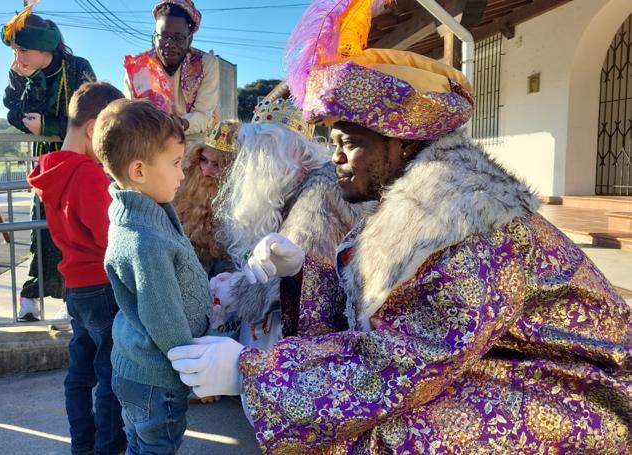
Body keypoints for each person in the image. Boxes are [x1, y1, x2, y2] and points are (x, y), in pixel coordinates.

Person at [167, 0, 632, 453]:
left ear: (404, 145)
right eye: (333, 142)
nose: (335, 158)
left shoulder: (470, 227)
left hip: (588, 388)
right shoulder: (407, 205)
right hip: (503, 365)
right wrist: (306, 274)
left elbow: (408, 358)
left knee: (398, 433)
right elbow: (382, 317)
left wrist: (252, 373)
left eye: (350, 143)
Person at [94, 99, 211, 454]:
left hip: (139, 369)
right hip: (156, 379)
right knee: (156, 447)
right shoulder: (144, 239)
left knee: (140, 444)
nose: (182, 173)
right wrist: (194, 368)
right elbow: (163, 316)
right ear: (140, 171)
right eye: (176, 164)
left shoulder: (146, 211)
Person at [211, 85, 368, 350]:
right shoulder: (301, 187)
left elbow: (305, 285)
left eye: (255, 156)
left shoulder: (317, 197)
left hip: (310, 352)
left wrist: (236, 292)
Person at [27, 82, 126, 455]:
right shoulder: (86, 174)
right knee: (110, 373)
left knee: (80, 374)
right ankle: (107, 448)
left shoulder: (52, 169)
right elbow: (109, 238)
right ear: (92, 130)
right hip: (102, 284)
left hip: (77, 288)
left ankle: (82, 446)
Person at [1, 6, 96, 324]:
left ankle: (76, 297)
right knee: (41, 228)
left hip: (82, 159)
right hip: (47, 163)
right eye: (15, 50)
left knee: (78, 231)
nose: (18, 58)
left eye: (23, 49)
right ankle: (31, 296)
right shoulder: (21, 73)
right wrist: (32, 88)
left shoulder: (78, 67)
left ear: (44, 47)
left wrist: (50, 127)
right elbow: (13, 109)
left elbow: (94, 112)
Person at [124, 0, 218, 137]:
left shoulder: (206, 64)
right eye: (163, 36)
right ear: (154, 37)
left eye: (178, 38)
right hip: (150, 145)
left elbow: (204, 116)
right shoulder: (138, 68)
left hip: (194, 145)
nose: (169, 44)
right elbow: (130, 115)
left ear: (189, 39)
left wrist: (178, 123)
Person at [173, 119, 239, 279]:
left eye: (217, 165)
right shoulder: (184, 177)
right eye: (203, 160)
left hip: (226, 262)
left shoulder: (240, 194)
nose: (206, 171)